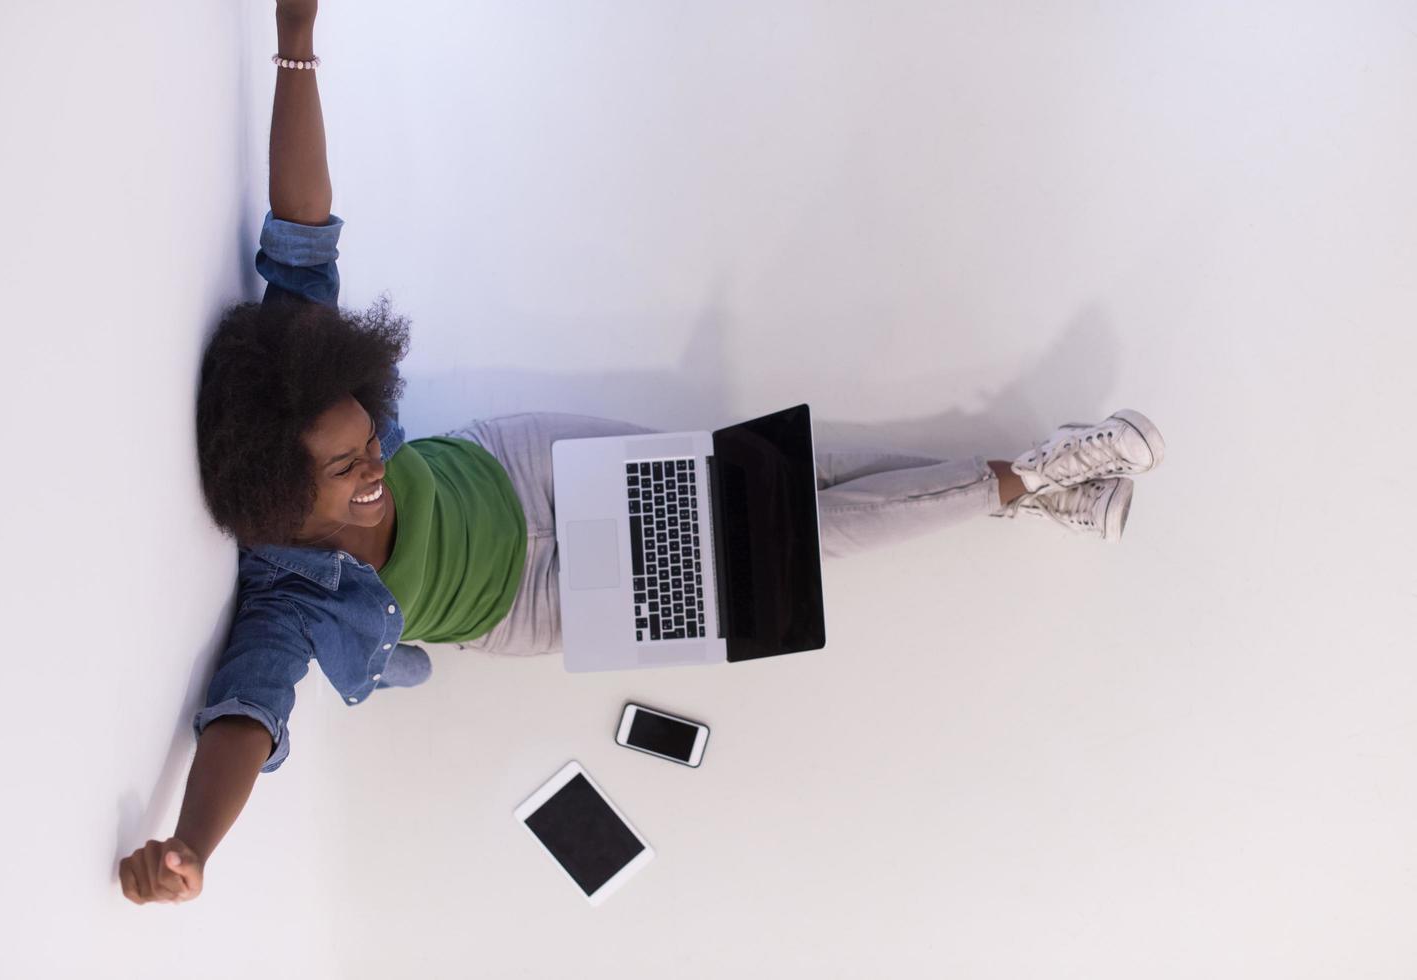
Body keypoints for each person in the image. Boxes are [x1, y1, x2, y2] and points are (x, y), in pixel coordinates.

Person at [118, 0, 1166, 906]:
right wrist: (192, 847)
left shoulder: (293, 368)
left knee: (780, 469)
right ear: (274, 498)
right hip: (541, 600)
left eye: (364, 437)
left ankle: (1033, 483)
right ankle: (1024, 478)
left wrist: (294, 39)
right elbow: (244, 718)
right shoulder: (283, 602)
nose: (371, 467)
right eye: (346, 473)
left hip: (525, 469)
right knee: (796, 552)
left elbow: (300, 230)